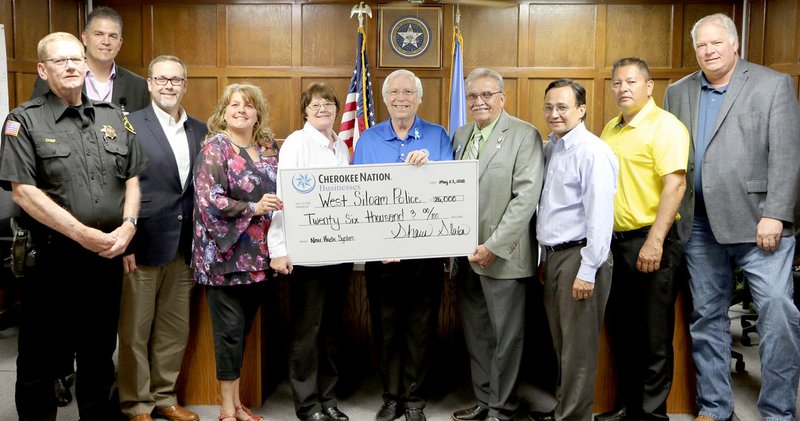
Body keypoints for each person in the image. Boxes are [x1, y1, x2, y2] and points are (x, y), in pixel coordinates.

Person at [0, 32, 148, 421]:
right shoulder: (24, 121)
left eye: (75, 59)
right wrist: (83, 235)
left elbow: (131, 179)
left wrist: (129, 226)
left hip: (106, 258)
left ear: (86, 64)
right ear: (42, 69)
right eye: (59, 60)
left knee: (99, 354)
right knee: (40, 359)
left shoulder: (114, 118)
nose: (70, 66)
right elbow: (23, 193)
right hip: (51, 259)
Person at [663, 13, 800, 421]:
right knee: (706, 317)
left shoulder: (772, 84)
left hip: (759, 223)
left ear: (735, 44)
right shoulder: (677, 92)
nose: (708, 51)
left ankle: (777, 411)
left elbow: (788, 155)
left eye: (716, 43)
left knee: (777, 310)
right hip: (699, 225)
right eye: (701, 45)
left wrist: (775, 212)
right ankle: (714, 407)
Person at [352, 69, 452, 421]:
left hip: (424, 254)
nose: (401, 98)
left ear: (419, 98)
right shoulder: (368, 140)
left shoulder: (439, 136)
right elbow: (358, 196)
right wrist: (375, 244)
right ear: (384, 98)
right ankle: (390, 395)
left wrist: (432, 166)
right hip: (383, 255)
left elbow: (450, 190)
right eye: (394, 92)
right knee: (385, 326)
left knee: (421, 327)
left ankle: (413, 399)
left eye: (408, 92)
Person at [596, 57, 689, 421]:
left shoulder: (665, 127)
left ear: (649, 86)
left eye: (631, 82)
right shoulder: (611, 129)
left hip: (651, 241)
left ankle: (651, 415)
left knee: (652, 337)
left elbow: (675, 184)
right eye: (617, 83)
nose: (623, 89)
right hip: (615, 245)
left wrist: (655, 240)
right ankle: (627, 406)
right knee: (622, 332)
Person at [451, 68, 544, 421]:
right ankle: (484, 400)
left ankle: (501, 409)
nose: (479, 102)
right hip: (464, 256)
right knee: (477, 334)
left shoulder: (524, 134)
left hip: (502, 256)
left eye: (487, 95)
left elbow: (525, 198)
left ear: (502, 98)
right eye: (473, 96)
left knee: (506, 338)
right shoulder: (460, 134)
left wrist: (492, 245)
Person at [117, 55, 206, 421]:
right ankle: (137, 404)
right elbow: (118, 186)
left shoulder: (199, 129)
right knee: (136, 332)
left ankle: (164, 397)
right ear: (150, 84)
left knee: (173, 328)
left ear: (185, 85)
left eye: (176, 80)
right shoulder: (130, 125)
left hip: (184, 245)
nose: (169, 85)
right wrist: (126, 241)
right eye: (162, 79)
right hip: (142, 244)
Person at [193, 83, 281, 421]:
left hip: (260, 259)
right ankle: (226, 409)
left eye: (248, 105)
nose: (241, 110)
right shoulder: (214, 148)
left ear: (258, 112)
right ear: (224, 111)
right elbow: (208, 200)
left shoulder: (268, 147)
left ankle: (238, 403)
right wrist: (254, 207)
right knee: (228, 334)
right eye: (234, 105)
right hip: (224, 259)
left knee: (241, 333)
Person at [268, 83, 353, 421]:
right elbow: (282, 197)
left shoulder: (341, 147)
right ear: (305, 111)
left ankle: (328, 398)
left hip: (339, 254)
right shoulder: (296, 144)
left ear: (336, 110)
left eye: (328, 104)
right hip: (306, 255)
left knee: (332, 329)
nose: (322, 109)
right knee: (307, 332)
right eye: (315, 105)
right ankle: (307, 404)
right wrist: (279, 248)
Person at [537, 79, 618, 421]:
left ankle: (572, 418)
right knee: (562, 345)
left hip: (581, 257)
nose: (554, 114)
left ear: (582, 110)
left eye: (563, 107)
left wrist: (588, 270)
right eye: (549, 107)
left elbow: (600, 216)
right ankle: (564, 410)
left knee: (579, 351)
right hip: (555, 256)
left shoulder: (592, 152)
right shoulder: (554, 147)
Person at [31, 6, 148, 113]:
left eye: (112, 36)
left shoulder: (138, 86)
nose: (106, 42)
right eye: (99, 34)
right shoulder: (54, 77)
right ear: (85, 38)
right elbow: (36, 118)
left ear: (120, 43)